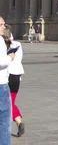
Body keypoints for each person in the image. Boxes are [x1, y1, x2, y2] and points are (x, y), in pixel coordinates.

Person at [3, 25, 24, 137]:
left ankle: (17, 123)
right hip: (17, 76)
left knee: (8, 103)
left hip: (7, 76)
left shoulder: (3, 45)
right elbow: (19, 59)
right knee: (11, 102)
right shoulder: (18, 45)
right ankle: (19, 122)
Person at [0, 16, 15, 145]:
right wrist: (10, 57)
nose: (4, 27)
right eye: (1, 24)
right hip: (1, 86)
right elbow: (1, 62)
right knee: (4, 123)